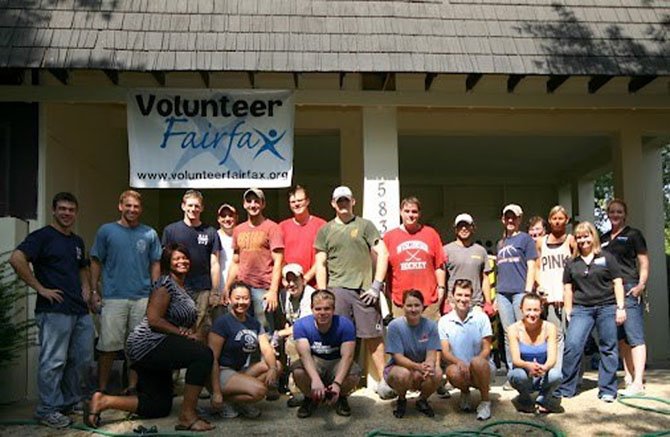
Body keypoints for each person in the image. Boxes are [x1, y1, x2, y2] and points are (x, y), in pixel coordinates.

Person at [85, 244, 215, 432]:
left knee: (158, 406)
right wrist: (182, 333)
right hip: (148, 343)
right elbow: (154, 320)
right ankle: (188, 415)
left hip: (160, 344)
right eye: (176, 258)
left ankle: (103, 401)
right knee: (203, 355)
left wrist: (191, 334)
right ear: (167, 263)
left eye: (185, 258)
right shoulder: (165, 285)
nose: (182, 261)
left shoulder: (183, 288)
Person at [9, 192, 95, 428]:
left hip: (79, 309)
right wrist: (40, 288)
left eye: (71, 209)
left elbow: (83, 267)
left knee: (83, 358)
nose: (67, 213)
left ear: (76, 213)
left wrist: (87, 288)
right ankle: (47, 409)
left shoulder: (77, 241)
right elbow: (17, 259)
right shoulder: (42, 237)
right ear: (54, 210)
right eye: (62, 209)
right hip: (53, 309)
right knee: (54, 361)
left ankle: (70, 401)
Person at [314, 186, 390, 399]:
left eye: (346, 200)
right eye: (339, 201)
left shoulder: (366, 225)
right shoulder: (325, 230)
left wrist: (377, 285)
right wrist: (323, 294)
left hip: (366, 291)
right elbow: (320, 263)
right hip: (337, 290)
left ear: (353, 201)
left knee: (373, 336)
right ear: (333, 203)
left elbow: (383, 253)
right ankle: (339, 384)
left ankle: (384, 380)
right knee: (340, 338)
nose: (343, 204)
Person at [90, 190, 162, 394]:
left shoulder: (149, 234)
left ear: (141, 209)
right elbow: (95, 260)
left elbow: (155, 264)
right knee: (108, 347)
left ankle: (132, 387)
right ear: (120, 206)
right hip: (113, 298)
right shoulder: (106, 231)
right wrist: (94, 290)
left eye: (136, 206)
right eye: (128, 205)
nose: (132, 210)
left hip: (142, 298)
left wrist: (155, 293)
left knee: (137, 346)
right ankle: (101, 390)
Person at [557, 221, 626, 402]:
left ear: (593, 236)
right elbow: (567, 288)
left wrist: (620, 307)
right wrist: (569, 310)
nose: (582, 240)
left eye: (586, 236)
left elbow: (617, 282)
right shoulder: (571, 262)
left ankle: (607, 389)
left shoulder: (607, 257)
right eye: (579, 237)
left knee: (608, 347)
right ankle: (566, 388)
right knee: (572, 345)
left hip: (607, 307)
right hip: (581, 308)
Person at [208, 281, 280, 419]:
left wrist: (272, 369)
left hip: (239, 370)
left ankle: (238, 402)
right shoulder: (222, 323)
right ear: (229, 299)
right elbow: (212, 359)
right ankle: (224, 401)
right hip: (221, 372)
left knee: (275, 365)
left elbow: (266, 348)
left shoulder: (253, 323)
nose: (241, 302)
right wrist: (216, 391)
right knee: (260, 391)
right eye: (237, 298)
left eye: (245, 298)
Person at [600, 198, 649, 397]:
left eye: (619, 212)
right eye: (612, 212)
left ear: (625, 214)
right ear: (607, 214)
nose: (615, 215)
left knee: (634, 335)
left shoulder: (634, 235)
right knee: (621, 338)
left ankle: (638, 382)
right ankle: (629, 376)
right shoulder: (603, 238)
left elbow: (644, 262)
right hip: (610, 290)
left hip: (629, 287)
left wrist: (641, 285)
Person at [291, 289, 361, 418]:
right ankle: (309, 398)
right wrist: (315, 380)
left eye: (327, 309)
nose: (322, 313)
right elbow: (304, 355)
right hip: (315, 361)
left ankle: (341, 397)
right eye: (318, 309)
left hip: (336, 362)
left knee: (354, 374)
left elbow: (348, 356)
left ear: (333, 309)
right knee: (298, 371)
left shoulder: (345, 324)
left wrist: (337, 383)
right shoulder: (301, 325)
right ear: (312, 309)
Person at [162, 190, 221, 341]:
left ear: (202, 208)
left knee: (201, 328)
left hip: (202, 288)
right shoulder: (171, 230)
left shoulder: (210, 232)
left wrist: (215, 291)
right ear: (183, 206)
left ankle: (199, 361)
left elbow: (214, 263)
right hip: (177, 288)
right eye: (190, 205)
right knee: (178, 326)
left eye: (196, 206)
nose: (193, 209)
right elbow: (164, 260)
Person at [224, 188, 284, 333]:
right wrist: (227, 287)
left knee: (264, 332)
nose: (253, 205)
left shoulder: (272, 227)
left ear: (263, 204)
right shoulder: (238, 229)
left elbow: (279, 261)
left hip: (262, 289)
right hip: (242, 288)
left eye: (256, 201)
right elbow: (236, 261)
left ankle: (267, 356)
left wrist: (273, 291)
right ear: (244, 204)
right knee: (240, 332)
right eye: (249, 201)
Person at [438, 279, 494, 420]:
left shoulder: (481, 318)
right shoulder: (444, 321)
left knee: (478, 362)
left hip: (482, 367)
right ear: (452, 296)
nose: (463, 299)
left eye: (466, 295)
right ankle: (465, 392)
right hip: (460, 367)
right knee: (451, 371)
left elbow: (487, 348)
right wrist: (459, 363)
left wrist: (474, 363)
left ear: (471, 297)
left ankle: (485, 401)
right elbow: (445, 352)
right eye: (459, 295)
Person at [383, 196, 446, 321]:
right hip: (401, 303)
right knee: (403, 339)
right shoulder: (389, 237)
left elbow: (439, 265)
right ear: (401, 212)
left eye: (414, 212)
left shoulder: (431, 234)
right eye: (407, 211)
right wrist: (390, 295)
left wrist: (441, 289)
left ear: (419, 214)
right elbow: (385, 270)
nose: (410, 215)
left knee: (428, 339)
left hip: (428, 301)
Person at [385, 289, 442, 418]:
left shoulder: (431, 326)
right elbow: (398, 357)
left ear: (423, 307)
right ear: (403, 306)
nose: (413, 309)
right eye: (409, 305)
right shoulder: (395, 326)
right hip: (397, 369)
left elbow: (432, 353)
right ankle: (401, 399)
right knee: (403, 374)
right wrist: (418, 367)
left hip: (420, 368)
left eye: (417, 305)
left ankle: (422, 401)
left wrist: (429, 366)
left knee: (437, 373)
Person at [496, 204, 537, 375]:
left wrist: (528, 292)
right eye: (507, 217)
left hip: (520, 292)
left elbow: (532, 266)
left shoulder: (526, 239)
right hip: (502, 293)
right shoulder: (501, 242)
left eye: (514, 217)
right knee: (508, 333)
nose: (510, 220)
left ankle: (529, 369)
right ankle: (513, 372)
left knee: (524, 330)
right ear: (503, 219)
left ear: (520, 219)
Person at [535, 205, 575, 373]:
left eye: (561, 218)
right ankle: (557, 374)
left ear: (566, 220)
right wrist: (540, 285)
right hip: (550, 298)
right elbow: (537, 267)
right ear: (549, 220)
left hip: (569, 296)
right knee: (555, 337)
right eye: (554, 218)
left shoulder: (571, 240)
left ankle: (574, 375)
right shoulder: (541, 242)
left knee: (573, 338)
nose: (557, 221)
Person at [507, 293, 562, 414]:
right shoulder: (513, 329)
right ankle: (524, 399)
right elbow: (515, 360)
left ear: (541, 310)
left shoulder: (550, 327)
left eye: (536, 310)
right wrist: (528, 366)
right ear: (521, 309)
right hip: (524, 373)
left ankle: (543, 400)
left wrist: (544, 367)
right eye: (528, 310)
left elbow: (553, 358)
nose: (532, 314)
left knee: (556, 375)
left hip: (543, 372)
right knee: (517, 375)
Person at [276, 263, 316, 407]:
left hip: (313, 334)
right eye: (288, 280)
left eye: (295, 280)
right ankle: (278, 383)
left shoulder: (311, 295)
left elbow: (303, 325)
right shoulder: (284, 295)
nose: (291, 284)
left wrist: (280, 334)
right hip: (296, 331)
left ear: (303, 280)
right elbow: (289, 319)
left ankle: (299, 391)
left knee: (293, 343)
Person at [443, 213, 494, 315]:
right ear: (455, 229)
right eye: (460, 226)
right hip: (453, 304)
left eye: (467, 226)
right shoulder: (446, 250)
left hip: (476, 304)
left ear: (473, 228)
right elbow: (442, 279)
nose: (464, 229)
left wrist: (488, 302)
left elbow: (485, 278)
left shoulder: (480, 251)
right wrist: (445, 302)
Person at [279, 185, 326, 286]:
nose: (296, 204)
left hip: (314, 285)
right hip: (290, 284)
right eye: (293, 202)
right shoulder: (282, 227)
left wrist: (306, 278)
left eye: (300, 200)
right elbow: (279, 258)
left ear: (307, 201)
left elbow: (323, 258)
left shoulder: (321, 225)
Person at [214, 203, 238, 313]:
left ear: (236, 217)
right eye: (223, 216)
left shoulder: (242, 235)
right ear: (218, 219)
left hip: (238, 291)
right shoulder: (213, 236)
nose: (227, 219)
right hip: (218, 290)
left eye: (230, 215)